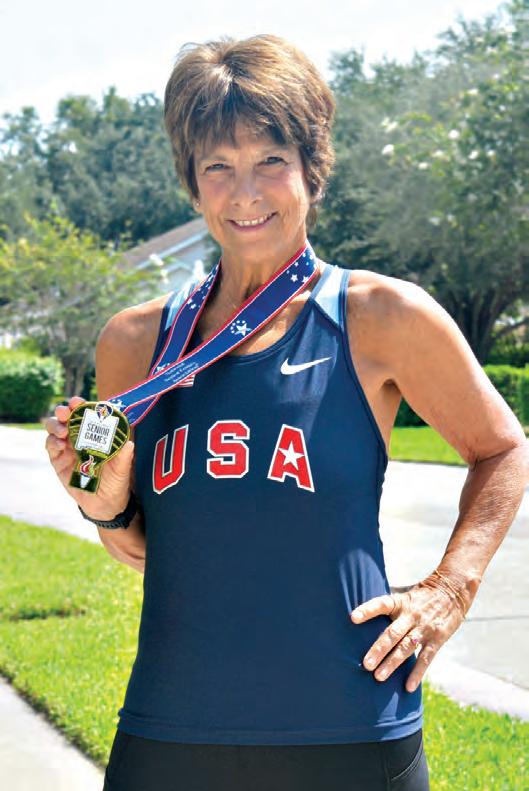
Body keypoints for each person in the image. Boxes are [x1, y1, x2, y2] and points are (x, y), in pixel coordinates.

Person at [44, 33, 528, 791]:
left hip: (349, 725)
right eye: (218, 166)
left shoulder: (379, 315)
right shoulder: (133, 342)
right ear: (193, 184)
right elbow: (139, 546)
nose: (245, 194)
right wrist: (104, 507)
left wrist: (449, 588)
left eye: (270, 160)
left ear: (311, 169)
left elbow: (503, 449)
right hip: (173, 727)